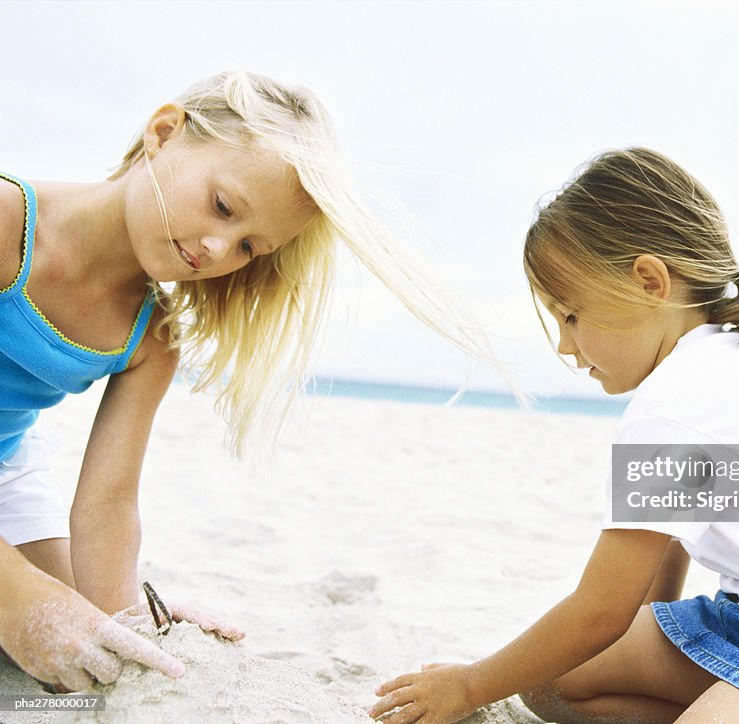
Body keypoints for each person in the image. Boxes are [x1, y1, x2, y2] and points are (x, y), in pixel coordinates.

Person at [370, 148, 739, 723]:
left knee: (549, 658)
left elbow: (601, 612)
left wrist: (469, 685)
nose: (564, 346)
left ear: (650, 281)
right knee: (547, 679)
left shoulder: (683, 400)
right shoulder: (708, 368)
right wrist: (635, 647)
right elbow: (666, 543)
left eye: (570, 315)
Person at [0, 71, 497, 692]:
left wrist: (128, 622)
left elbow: (107, 503)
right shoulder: (8, 219)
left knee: (87, 648)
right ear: (163, 133)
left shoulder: (152, 335)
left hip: (9, 467)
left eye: (249, 247)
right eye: (223, 206)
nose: (216, 247)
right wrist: (19, 596)